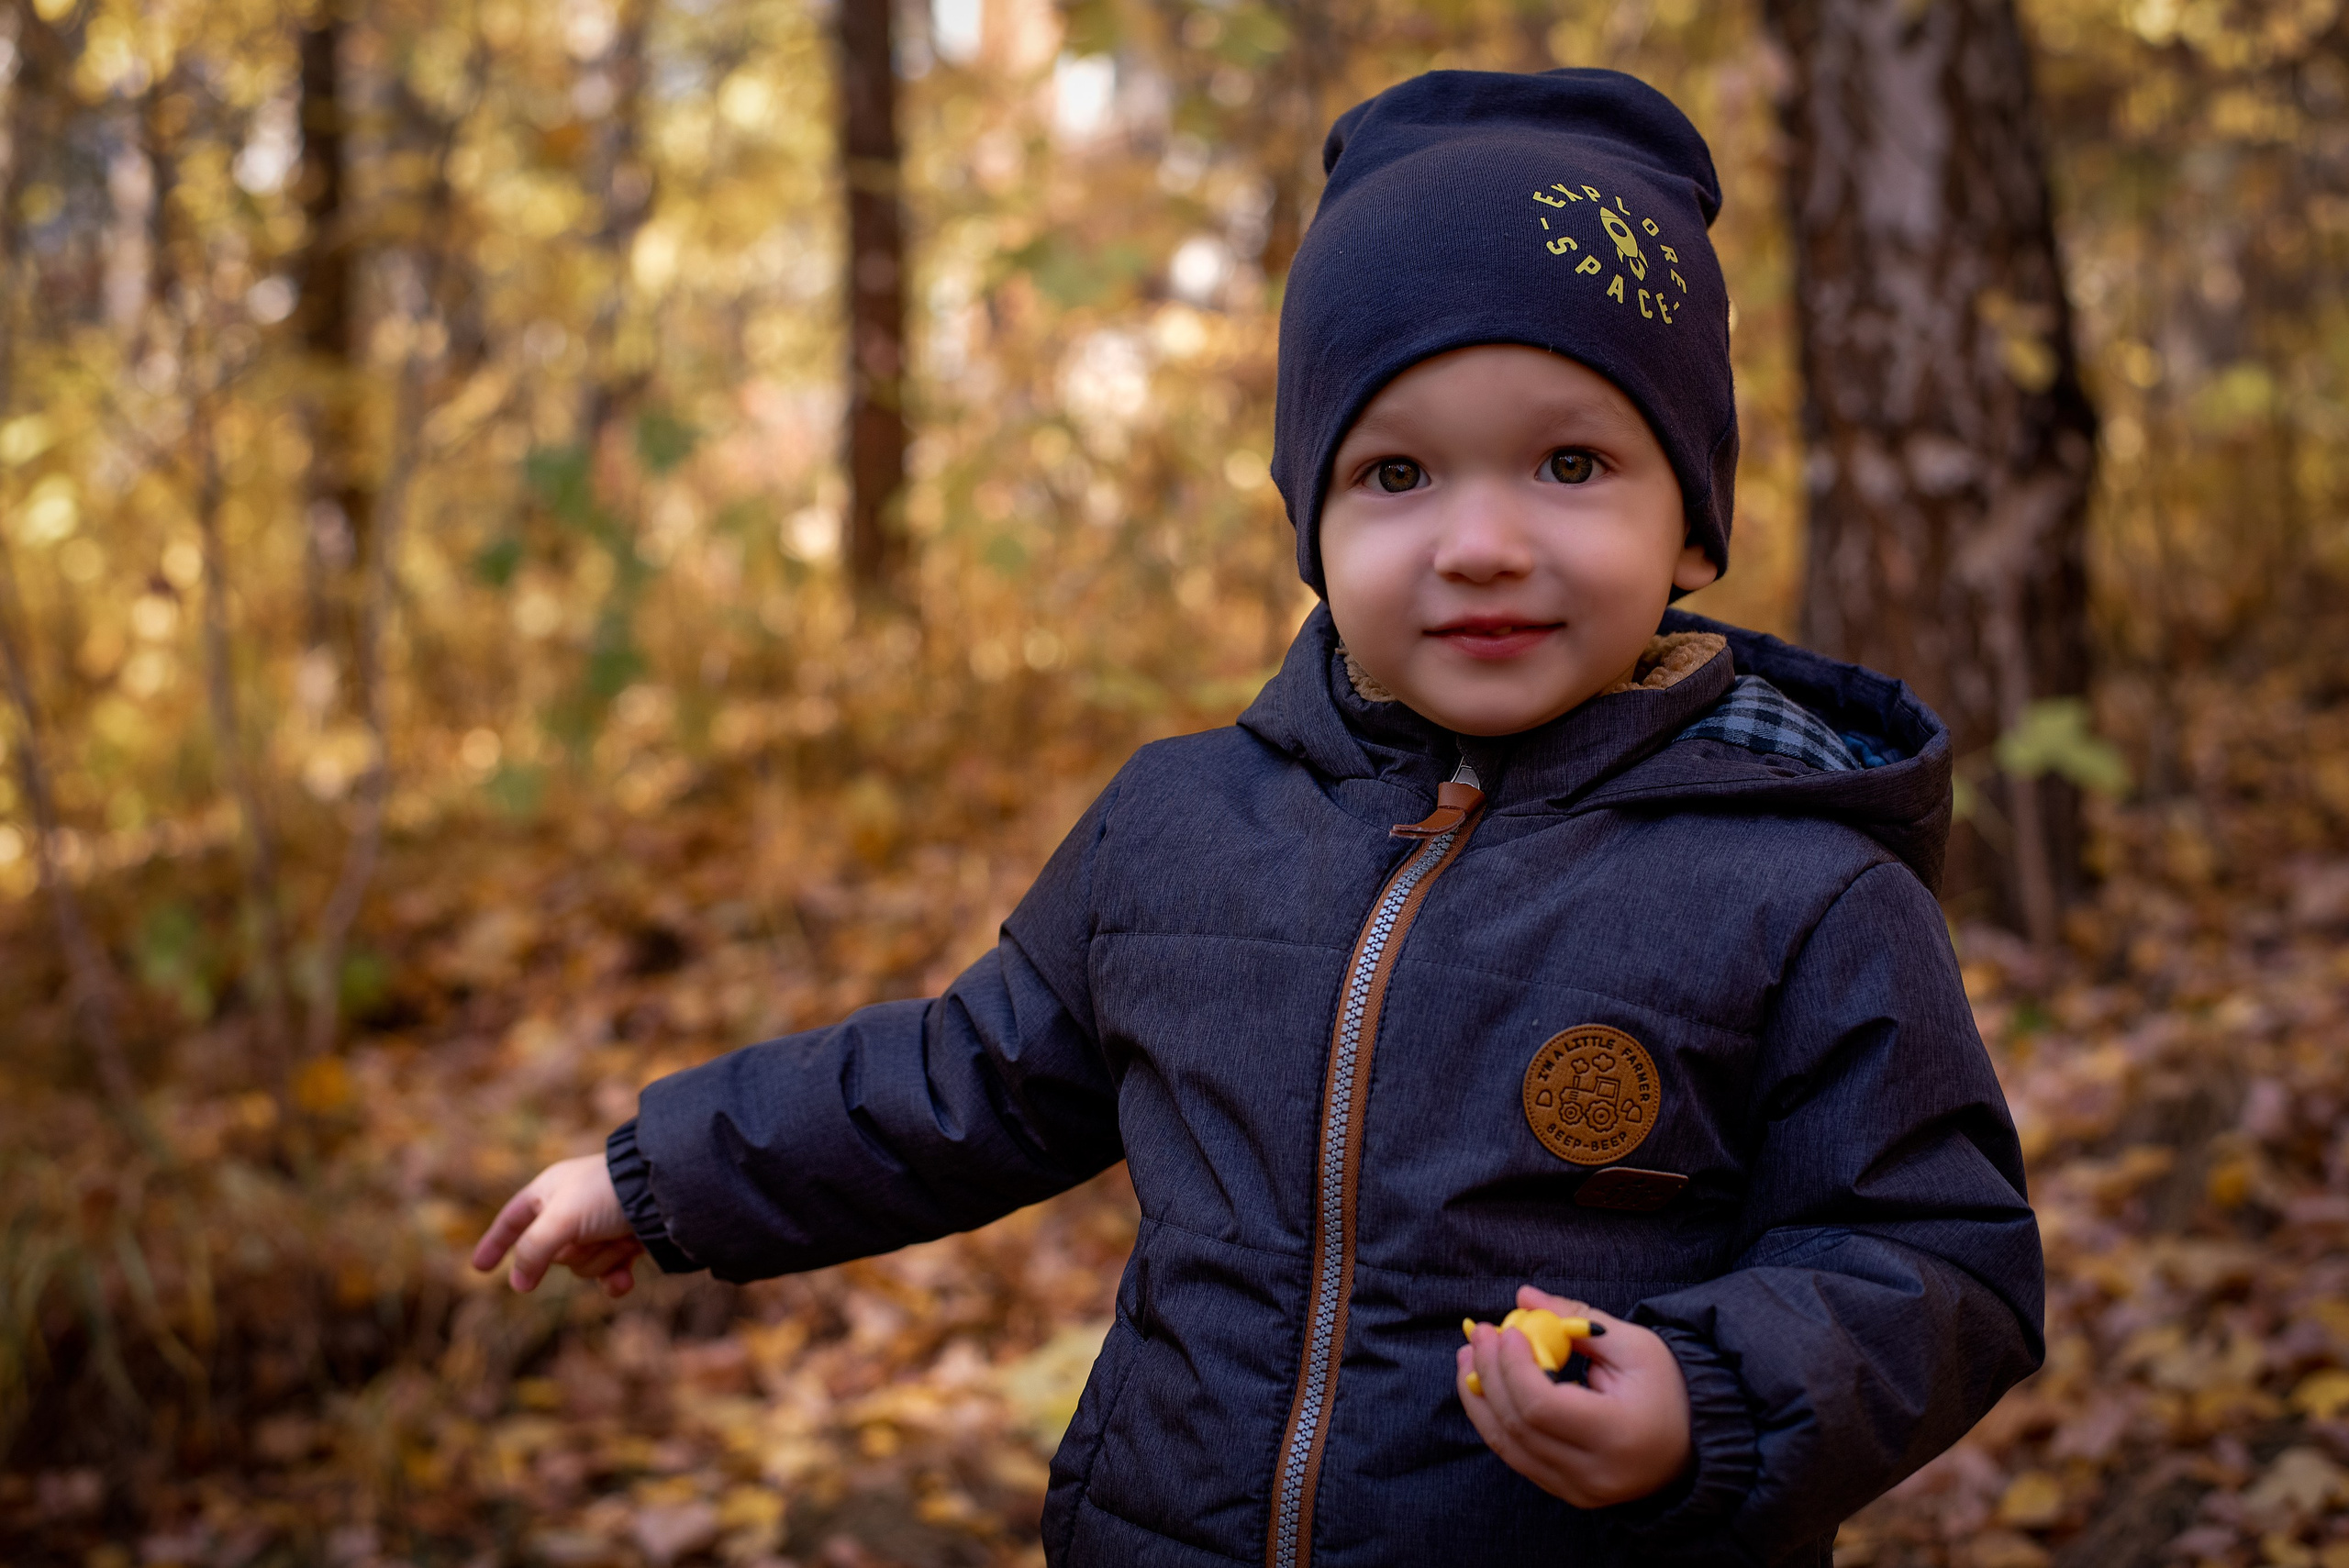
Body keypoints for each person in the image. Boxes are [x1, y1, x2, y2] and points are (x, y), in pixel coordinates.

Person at [472, 67, 2043, 1568]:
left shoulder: (1799, 887)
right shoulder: (1179, 830)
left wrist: (1706, 1393)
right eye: (1399, 474)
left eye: (1572, 463)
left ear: (1692, 525)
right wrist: (666, 1171)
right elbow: (964, 1079)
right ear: (1311, 522)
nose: (1483, 542)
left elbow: (1932, 1256)